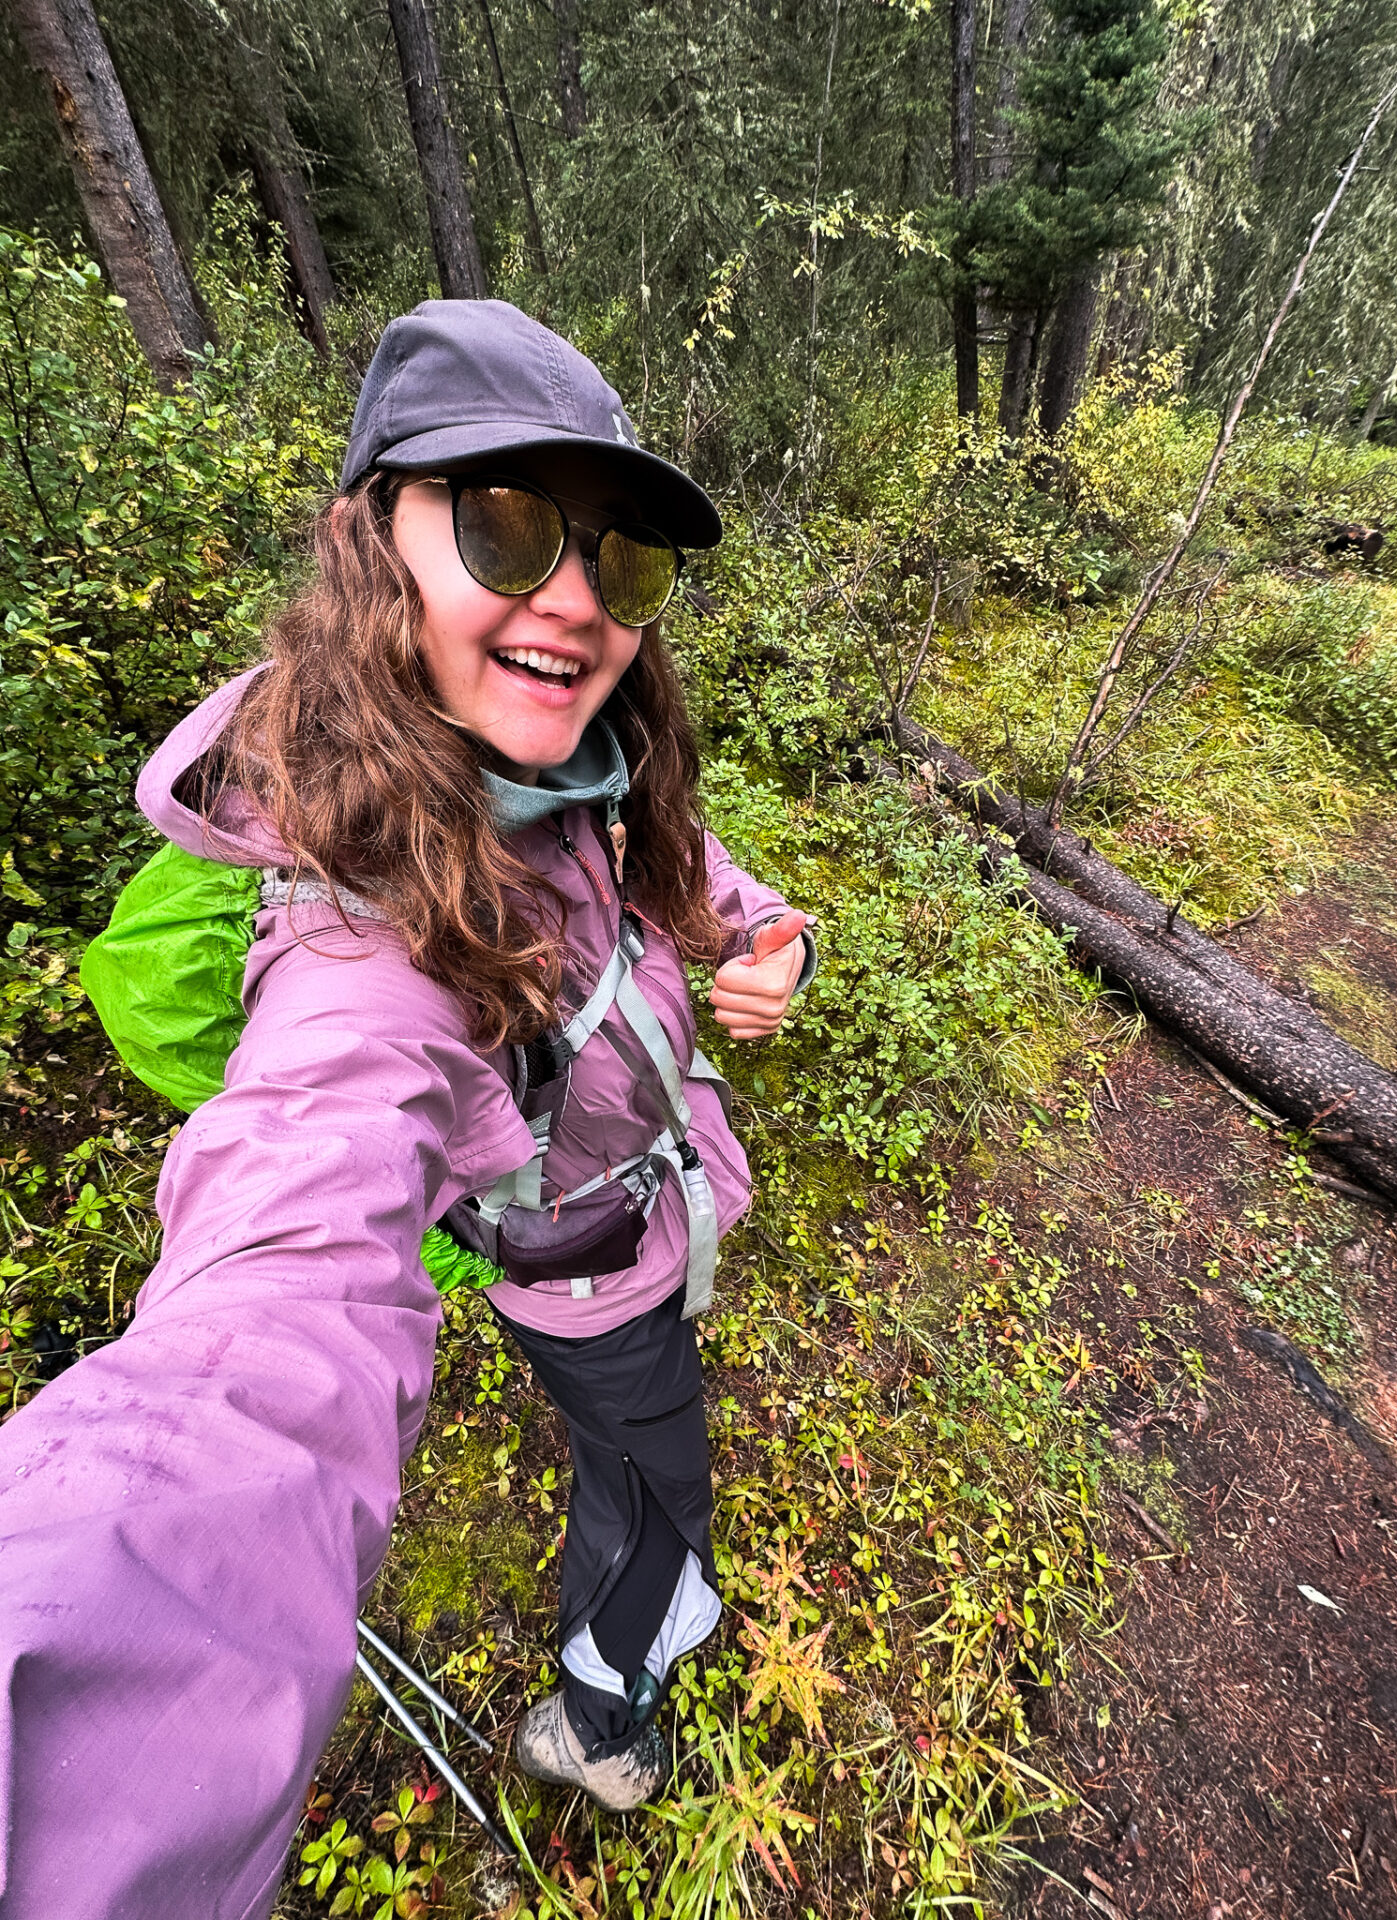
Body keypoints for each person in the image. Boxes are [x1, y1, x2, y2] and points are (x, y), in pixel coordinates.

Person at [0, 300, 815, 1918]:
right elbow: (272, 1288)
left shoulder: (580, 766)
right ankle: (602, 1723)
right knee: (657, 1503)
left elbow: (693, 884)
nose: (576, 602)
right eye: (509, 524)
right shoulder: (350, 924)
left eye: (626, 563)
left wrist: (773, 935)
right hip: (597, 1278)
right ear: (375, 536)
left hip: (644, 1217)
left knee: (633, 1468)